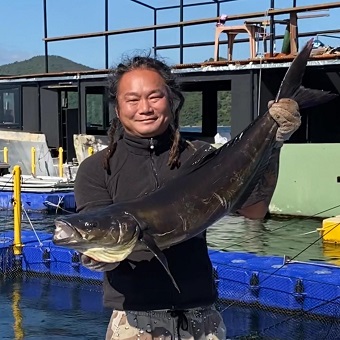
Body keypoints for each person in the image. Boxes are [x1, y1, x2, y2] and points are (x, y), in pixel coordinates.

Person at [74, 54, 301, 340]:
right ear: (118, 109)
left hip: (202, 319)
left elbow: (255, 210)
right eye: (132, 99)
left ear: (172, 100)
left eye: (154, 96)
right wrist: (98, 254)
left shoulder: (203, 158)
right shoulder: (97, 169)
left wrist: (274, 143)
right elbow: (101, 228)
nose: (144, 108)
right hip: (135, 324)